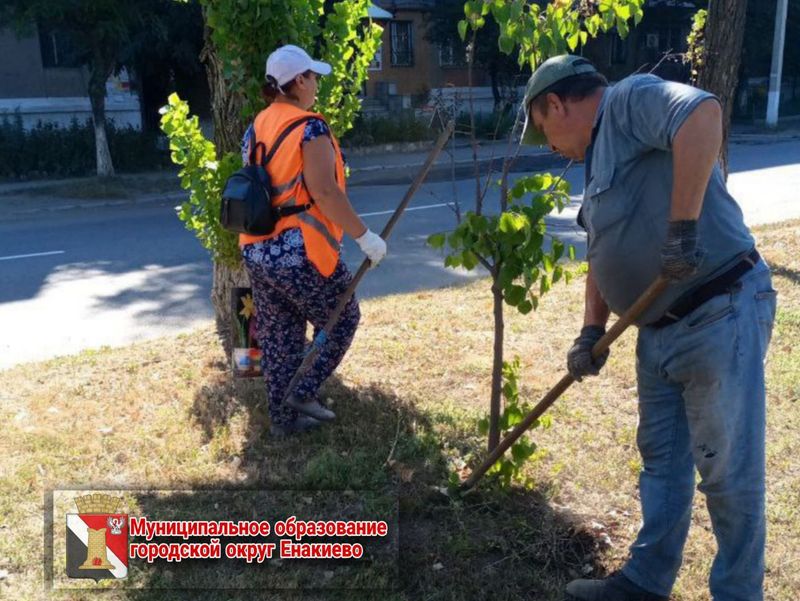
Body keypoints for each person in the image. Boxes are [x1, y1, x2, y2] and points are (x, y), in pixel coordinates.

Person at [520, 55, 777, 601]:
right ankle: (645, 581)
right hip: (657, 331)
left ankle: (738, 593)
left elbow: (702, 114)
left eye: (543, 129)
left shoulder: (627, 101)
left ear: (556, 104)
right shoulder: (595, 166)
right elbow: (601, 251)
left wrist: (682, 230)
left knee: (727, 471)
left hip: (717, 309)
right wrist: (591, 331)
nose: (547, 145)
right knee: (662, 462)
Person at [240, 45, 387, 437]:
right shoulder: (310, 127)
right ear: (299, 81)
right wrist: (364, 236)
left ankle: (282, 421)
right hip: (299, 249)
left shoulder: (258, 125)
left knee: (279, 334)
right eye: (313, 77)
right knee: (342, 318)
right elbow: (324, 192)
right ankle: (303, 392)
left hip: (257, 247)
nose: (317, 84)